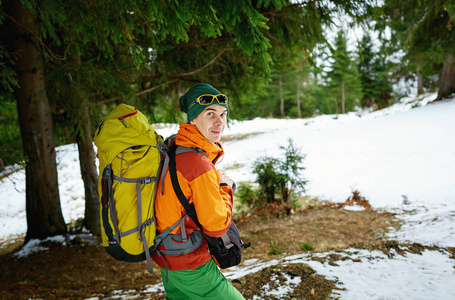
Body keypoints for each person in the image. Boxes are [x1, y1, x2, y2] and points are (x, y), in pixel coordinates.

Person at [152, 83, 245, 299]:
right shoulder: (197, 163)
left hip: (167, 257)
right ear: (193, 118)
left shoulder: (175, 147)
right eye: (210, 114)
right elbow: (215, 225)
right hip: (190, 262)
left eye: (223, 114)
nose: (219, 121)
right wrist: (225, 188)